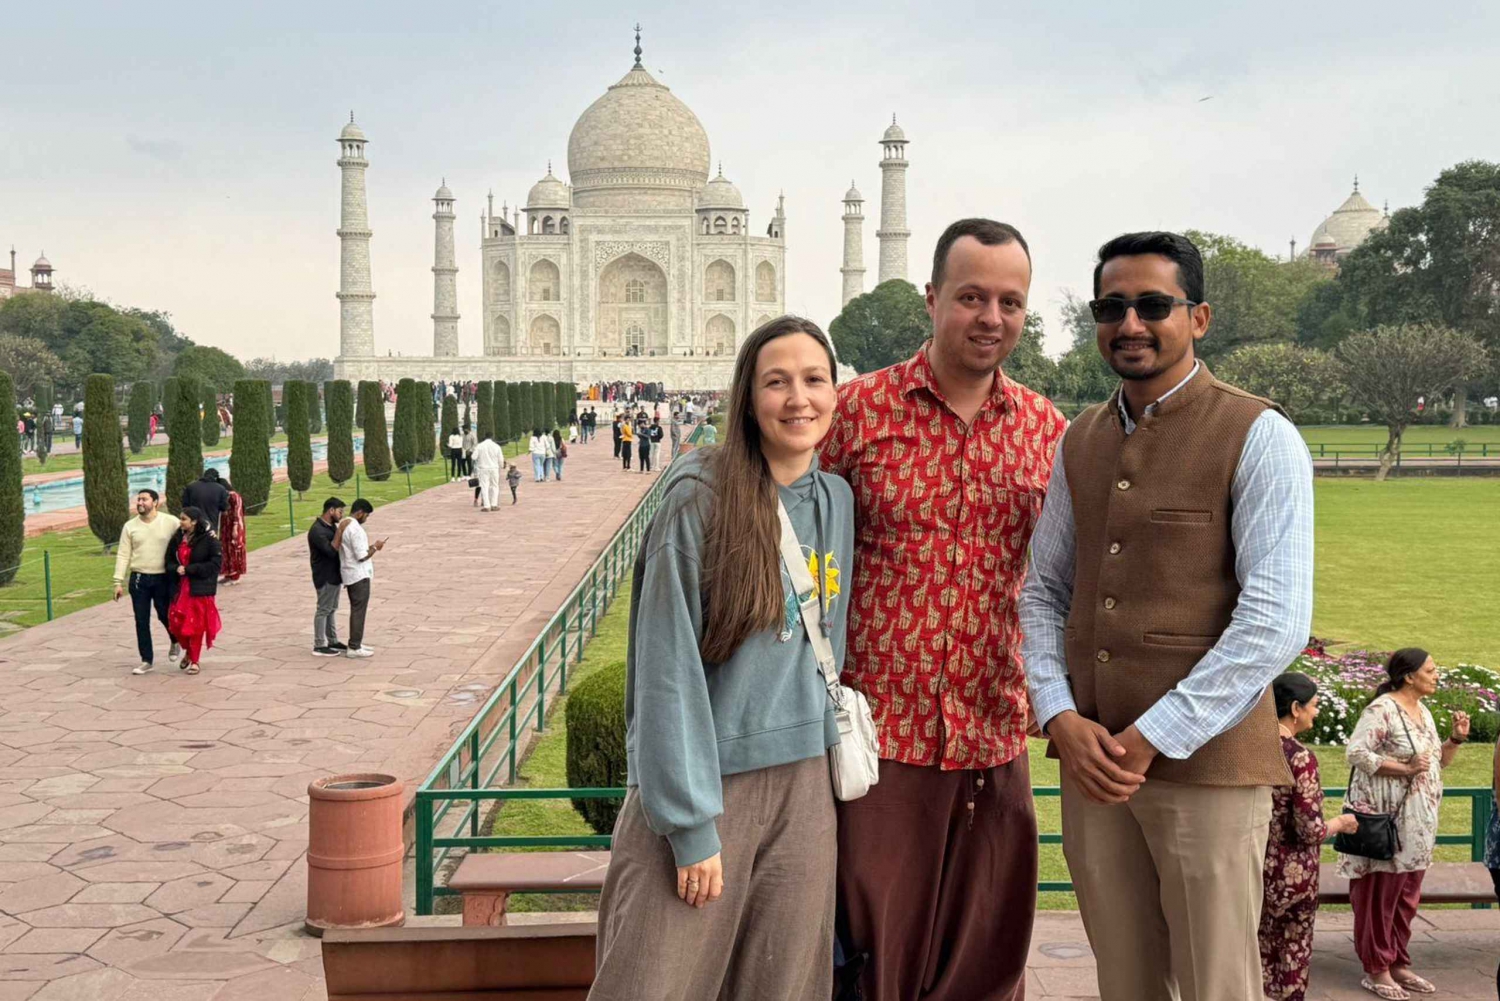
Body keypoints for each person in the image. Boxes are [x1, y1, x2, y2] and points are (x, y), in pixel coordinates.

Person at [1019, 230, 1315, 1001]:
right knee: (1126, 981)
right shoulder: (1078, 439)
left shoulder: (1257, 434)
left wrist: (1155, 734)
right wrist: (1057, 713)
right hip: (1094, 766)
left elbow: (1276, 618)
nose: (1131, 323)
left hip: (1206, 769)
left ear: (1200, 317)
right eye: (1111, 306)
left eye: (1154, 305)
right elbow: (1044, 591)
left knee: (1218, 984)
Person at [819, 220, 1064, 1001]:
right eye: (971, 296)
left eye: (1010, 301)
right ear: (932, 299)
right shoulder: (855, 415)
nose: (991, 316)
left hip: (992, 732)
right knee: (873, 955)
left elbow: (1067, 577)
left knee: (988, 957)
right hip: (881, 739)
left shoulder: (1045, 431)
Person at [589, 316, 853, 1000]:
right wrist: (690, 822)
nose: (799, 398)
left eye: (814, 379)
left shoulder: (837, 501)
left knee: (783, 983)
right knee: (653, 980)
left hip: (806, 789)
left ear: (835, 390)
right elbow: (666, 666)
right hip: (707, 783)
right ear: (747, 396)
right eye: (777, 381)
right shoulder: (699, 495)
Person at [1339, 648, 1471, 999]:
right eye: (1430, 669)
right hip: (1387, 822)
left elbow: (1434, 763)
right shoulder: (1381, 710)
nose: (1436, 673)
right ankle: (1377, 968)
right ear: (1409, 675)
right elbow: (1356, 753)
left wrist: (1454, 740)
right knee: (1380, 897)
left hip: (1418, 825)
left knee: (1406, 898)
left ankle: (1398, 961)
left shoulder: (1423, 711)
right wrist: (1404, 769)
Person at [1262, 672, 1361, 1001]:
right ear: (1295, 708)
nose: (1316, 712)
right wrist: (1341, 823)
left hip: (1253, 862)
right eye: (1314, 706)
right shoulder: (1299, 757)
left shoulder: (1250, 750)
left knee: (1257, 947)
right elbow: (1311, 829)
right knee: (1293, 949)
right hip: (1293, 874)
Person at [113, 489, 182, 675]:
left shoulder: (170, 521)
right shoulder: (130, 526)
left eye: (144, 499)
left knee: (165, 615)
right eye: (138, 499)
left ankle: (175, 640)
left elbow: (188, 536)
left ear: (156, 502)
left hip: (163, 577)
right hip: (139, 578)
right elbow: (123, 554)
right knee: (141, 620)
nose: (140, 502)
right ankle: (146, 659)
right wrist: (117, 582)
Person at [165, 506, 223, 676]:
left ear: (194, 521)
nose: (180, 521)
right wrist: (176, 569)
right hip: (180, 588)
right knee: (175, 623)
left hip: (199, 589)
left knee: (195, 625)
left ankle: (195, 660)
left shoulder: (209, 540)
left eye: (183, 519)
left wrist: (191, 569)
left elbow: (215, 564)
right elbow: (168, 560)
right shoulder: (177, 538)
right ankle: (188, 650)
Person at [333, 499, 384, 658]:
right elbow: (361, 556)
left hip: (350, 573)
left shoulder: (344, 523)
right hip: (358, 575)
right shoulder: (355, 529)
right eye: (366, 516)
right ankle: (354, 646)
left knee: (357, 609)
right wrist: (375, 547)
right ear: (360, 512)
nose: (366, 519)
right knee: (358, 611)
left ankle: (356, 642)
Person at [308, 497, 348, 657]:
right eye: (340, 511)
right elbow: (331, 551)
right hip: (324, 576)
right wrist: (339, 531)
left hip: (334, 575)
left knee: (331, 609)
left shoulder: (330, 527)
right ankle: (319, 644)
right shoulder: (317, 530)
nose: (341, 515)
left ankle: (332, 640)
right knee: (323, 609)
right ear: (330, 510)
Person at [181, 469, 230, 534]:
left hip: (193, 524)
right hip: (211, 525)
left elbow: (185, 506)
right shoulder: (220, 488)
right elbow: (224, 510)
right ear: (216, 478)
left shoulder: (191, 486)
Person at [218, 484, 246, 584]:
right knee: (225, 549)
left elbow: (237, 512)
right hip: (225, 526)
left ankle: (235, 576)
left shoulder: (235, 497)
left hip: (234, 526)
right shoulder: (224, 496)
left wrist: (235, 527)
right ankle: (228, 574)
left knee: (234, 548)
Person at [472, 431, 505, 511]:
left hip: (483, 468)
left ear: (485, 437)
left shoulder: (480, 446)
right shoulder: (496, 446)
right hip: (494, 468)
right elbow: (501, 459)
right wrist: (502, 465)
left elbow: (473, 457)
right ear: (492, 437)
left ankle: (486, 506)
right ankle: (494, 504)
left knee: (484, 486)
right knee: (495, 486)